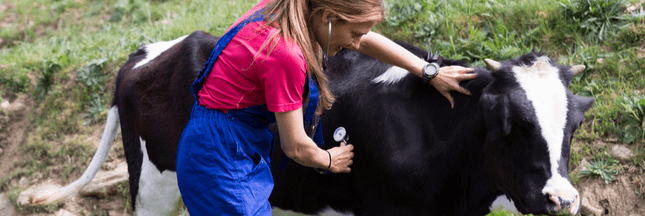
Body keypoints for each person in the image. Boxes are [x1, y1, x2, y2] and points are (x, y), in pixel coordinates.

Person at [176, 0, 476, 215]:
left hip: (220, 141)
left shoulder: (287, 8)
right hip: (220, 159)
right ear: (330, 17)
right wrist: (329, 159)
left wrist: (427, 70)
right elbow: (295, 147)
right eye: (355, 34)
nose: (357, 43)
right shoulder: (285, 54)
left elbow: (364, 38)